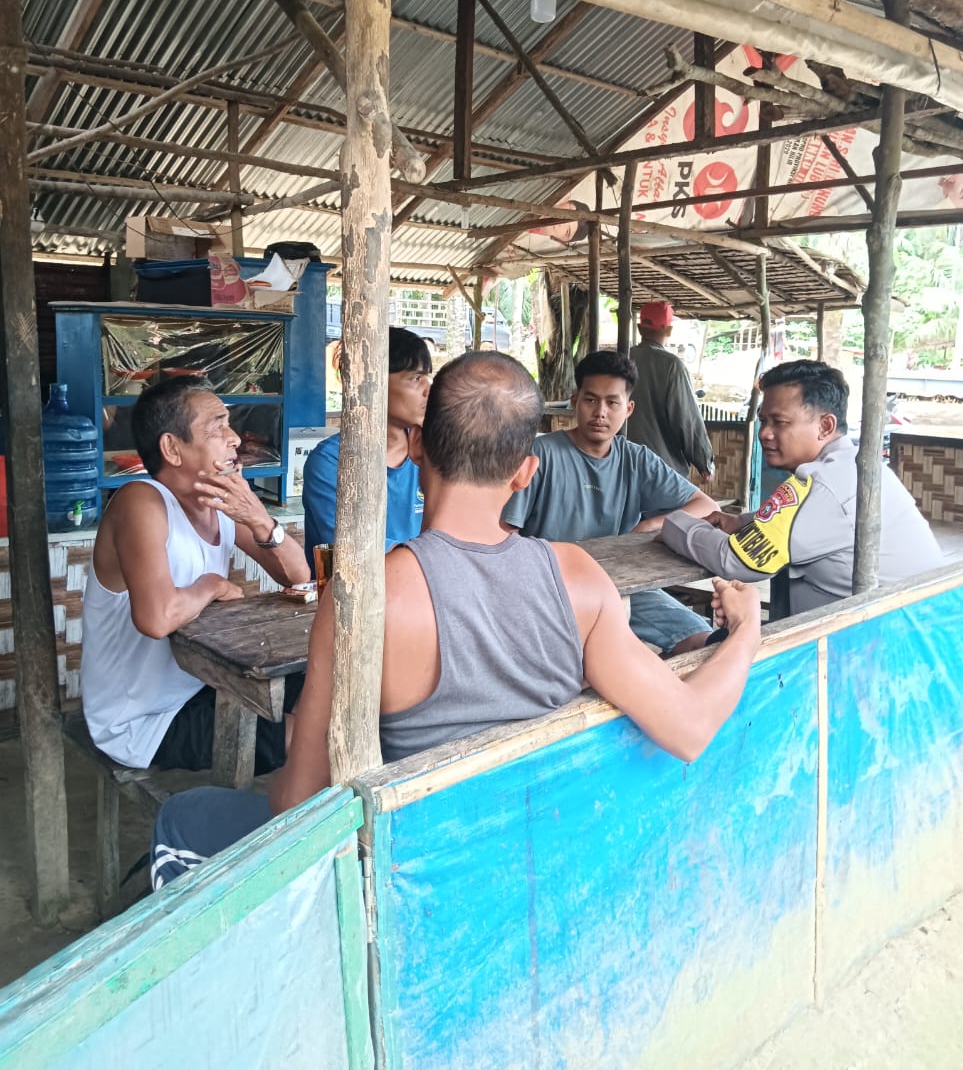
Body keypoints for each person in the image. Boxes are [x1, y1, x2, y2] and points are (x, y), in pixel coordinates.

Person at [150, 352, 762, 889]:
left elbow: (300, 803)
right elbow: (690, 728)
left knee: (184, 816)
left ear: (416, 446)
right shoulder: (579, 580)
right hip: (527, 851)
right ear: (527, 471)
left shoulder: (367, 595)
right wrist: (746, 630)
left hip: (408, 865)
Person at [81, 376, 310, 773]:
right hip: (142, 723)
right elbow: (156, 618)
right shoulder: (141, 501)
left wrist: (259, 520)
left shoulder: (219, 502)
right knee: (308, 739)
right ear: (172, 448)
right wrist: (212, 584)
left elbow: (299, 575)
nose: (235, 438)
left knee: (325, 683)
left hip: (204, 684)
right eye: (217, 427)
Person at [660, 360, 944, 619]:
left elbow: (732, 560)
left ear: (825, 426)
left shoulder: (824, 485)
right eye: (763, 420)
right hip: (906, 622)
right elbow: (793, 520)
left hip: (883, 644)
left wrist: (673, 522)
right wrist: (739, 522)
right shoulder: (852, 467)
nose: (764, 433)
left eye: (779, 422)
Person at [501, 349, 721, 655]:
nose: (600, 412)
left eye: (612, 402)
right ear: (575, 402)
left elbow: (708, 507)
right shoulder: (541, 455)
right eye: (591, 400)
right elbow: (504, 532)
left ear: (628, 409)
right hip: (552, 590)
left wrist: (654, 524)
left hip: (624, 586)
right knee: (595, 657)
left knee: (702, 639)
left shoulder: (636, 458)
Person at [302, 327, 431, 559]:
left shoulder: (433, 451)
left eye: (428, 377)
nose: (428, 390)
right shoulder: (332, 462)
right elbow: (354, 548)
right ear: (373, 383)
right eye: (416, 378)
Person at [625, 301, 714, 481]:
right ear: (668, 330)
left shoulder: (621, 358)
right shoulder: (672, 366)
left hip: (622, 465)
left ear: (640, 327)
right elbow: (687, 419)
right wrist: (704, 463)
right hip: (662, 471)